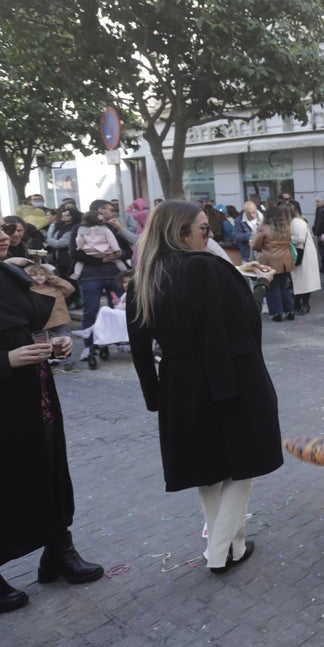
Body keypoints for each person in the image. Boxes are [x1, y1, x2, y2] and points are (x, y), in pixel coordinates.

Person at [126, 200, 283, 575]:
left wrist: (156, 395)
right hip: (229, 375)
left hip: (179, 382)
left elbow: (138, 346)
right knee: (244, 463)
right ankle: (217, 552)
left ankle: (235, 545)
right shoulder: (206, 268)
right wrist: (259, 287)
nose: (209, 235)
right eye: (203, 229)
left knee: (208, 467)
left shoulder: (145, 276)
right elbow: (245, 320)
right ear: (181, 233)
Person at [1, 226, 103, 614]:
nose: (3, 235)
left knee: (49, 471)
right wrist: (5, 361)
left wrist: (53, 345)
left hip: (33, 395)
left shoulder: (11, 275)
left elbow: (27, 326)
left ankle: (58, 551)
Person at [69, 200, 135, 364]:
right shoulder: (79, 228)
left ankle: (121, 341)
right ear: (100, 211)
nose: (113, 213)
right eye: (110, 210)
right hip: (89, 276)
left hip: (116, 277)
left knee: (121, 310)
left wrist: (118, 255)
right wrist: (102, 259)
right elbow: (75, 253)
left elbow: (127, 251)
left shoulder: (113, 227)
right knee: (90, 311)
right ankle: (89, 345)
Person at [24, 264, 79, 373]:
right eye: (34, 275)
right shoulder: (29, 289)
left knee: (61, 342)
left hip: (58, 320)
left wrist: (57, 280)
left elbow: (70, 289)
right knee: (42, 344)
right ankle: (44, 364)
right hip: (39, 322)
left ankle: (67, 361)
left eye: (42, 274)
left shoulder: (54, 286)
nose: (39, 277)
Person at [251, 205, 296, 322]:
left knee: (272, 288)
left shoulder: (264, 228)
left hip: (269, 261)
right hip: (285, 261)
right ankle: (289, 310)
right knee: (284, 287)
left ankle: (277, 313)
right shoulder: (286, 227)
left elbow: (256, 245)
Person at [70, 210, 130, 279]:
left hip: (90, 252)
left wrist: (80, 247)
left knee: (80, 262)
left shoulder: (82, 229)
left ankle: (76, 274)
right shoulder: (105, 229)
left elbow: (79, 240)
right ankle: (125, 272)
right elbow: (112, 240)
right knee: (117, 261)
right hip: (106, 251)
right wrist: (116, 250)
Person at [287, 201, 321, 315]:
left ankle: (304, 305)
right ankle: (298, 304)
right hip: (302, 253)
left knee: (304, 281)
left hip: (303, 254)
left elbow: (300, 238)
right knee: (300, 280)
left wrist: (287, 238)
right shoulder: (298, 221)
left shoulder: (297, 222)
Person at [312, 198, 324, 275]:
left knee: (323, 253)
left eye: (318, 201)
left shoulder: (322, 210)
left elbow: (320, 223)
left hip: (322, 235)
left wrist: (317, 232)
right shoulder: (319, 209)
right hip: (320, 234)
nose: (316, 203)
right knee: (322, 253)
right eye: (315, 201)